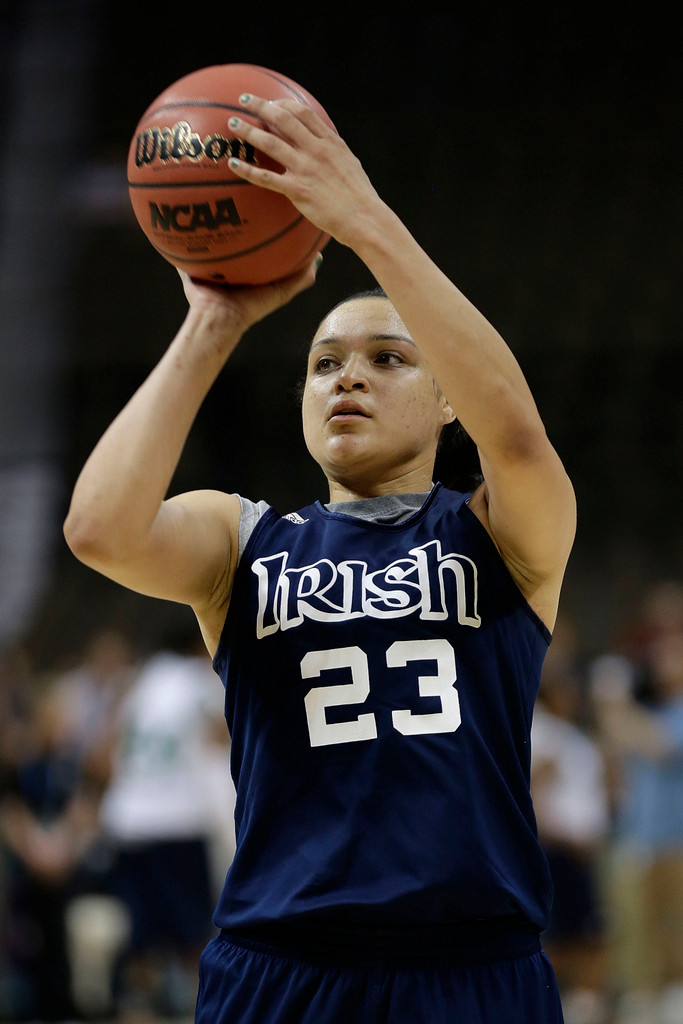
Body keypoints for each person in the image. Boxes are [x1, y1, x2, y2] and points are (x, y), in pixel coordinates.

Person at [63, 94, 576, 1024]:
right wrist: (213, 322)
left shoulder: (500, 532)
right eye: (323, 362)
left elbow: (522, 437)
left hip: (472, 969)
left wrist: (364, 222)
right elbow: (99, 529)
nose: (347, 375)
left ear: (447, 397)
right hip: (280, 967)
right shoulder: (242, 538)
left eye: (389, 359)